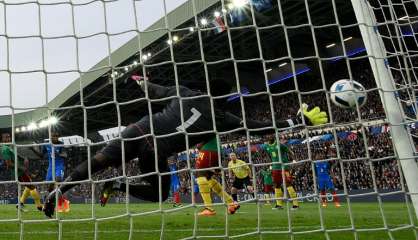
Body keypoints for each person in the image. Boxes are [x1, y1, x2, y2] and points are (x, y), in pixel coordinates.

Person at [44, 76, 327, 217]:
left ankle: (59, 191)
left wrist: (140, 80)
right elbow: (257, 126)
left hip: (139, 129)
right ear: (226, 99)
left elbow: (153, 89)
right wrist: (295, 121)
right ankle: (118, 185)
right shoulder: (222, 119)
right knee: (158, 194)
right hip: (155, 150)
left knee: (100, 160)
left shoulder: (186, 93)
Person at [1, 133, 42, 212]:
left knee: (28, 186)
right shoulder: (5, 149)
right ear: (2, 139)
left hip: (20, 170)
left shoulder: (10, 147)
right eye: (6, 137)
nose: (8, 139)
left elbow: (16, 156)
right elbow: (8, 164)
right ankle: (39, 206)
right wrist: (21, 168)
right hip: (18, 172)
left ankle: (20, 203)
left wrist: (24, 159)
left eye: (9, 137)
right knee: (32, 187)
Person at [264, 136, 299, 210]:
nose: (269, 136)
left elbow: (290, 151)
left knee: (288, 184)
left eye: (271, 135)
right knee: (277, 185)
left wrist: (294, 160)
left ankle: (295, 204)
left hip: (284, 167)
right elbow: (268, 155)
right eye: (268, 135)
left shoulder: (279, 144)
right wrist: (271, 164)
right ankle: (279, 205)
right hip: (275, 168)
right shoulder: (266, 146)